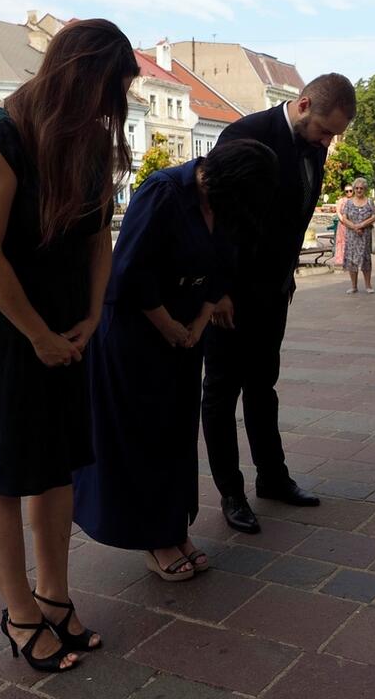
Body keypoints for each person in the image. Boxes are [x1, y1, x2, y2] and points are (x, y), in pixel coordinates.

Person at [0, 19, 140, 673]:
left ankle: (54, 597)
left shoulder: (86, 141)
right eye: (111, 89)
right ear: (78, 74)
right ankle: (20, 613)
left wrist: (93, 315)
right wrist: (41, 335)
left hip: (59, 321)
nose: (114, 107)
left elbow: (97, 237)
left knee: (54, 467)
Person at [74, 139, 278, 581]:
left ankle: (173, 528)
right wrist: (168, 325)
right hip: (135, 335)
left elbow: (226, 266)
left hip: (185, 337)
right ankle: (153, 537)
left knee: (176, 435)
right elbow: (128, 271)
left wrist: (202, 319)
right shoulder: (164, 191)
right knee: (142, 438)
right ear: (227, 181)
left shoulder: (228, 203)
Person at [202, 74, 355, 534]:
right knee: (221, 390)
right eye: (324, 131)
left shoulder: (315, 144)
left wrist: (285, 273)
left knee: (263, 385)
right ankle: (231, 492)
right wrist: (216, 291)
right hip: (230, 292)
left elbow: (294, 216)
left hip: (273, 289)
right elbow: (214, 218)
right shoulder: (246, 134)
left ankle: (272, 477)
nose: (327, 141)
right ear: (303, 104)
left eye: (332, 135)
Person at [339, 177, 375, 294]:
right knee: (352, 260)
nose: (359, 190)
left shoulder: (369, 201)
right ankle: (354, 286)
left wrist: (362, 225)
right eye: (357, 188)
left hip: (365, 234)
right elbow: (344, 218)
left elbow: (374, 215)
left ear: (365, 189)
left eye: (361, 188)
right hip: (352, 235)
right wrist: (355, 227)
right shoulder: (349, 202)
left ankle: (368, 285)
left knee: (366, 259)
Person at [333, 184, 351, 267]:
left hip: (352, 224)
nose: (349, 192)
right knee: (342, 242)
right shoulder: (342, 200)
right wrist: (343, 220)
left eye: (350, 190)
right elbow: (338, 211)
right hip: (343, 225)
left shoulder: (355, 200)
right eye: (347, 191)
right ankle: (341, 260)